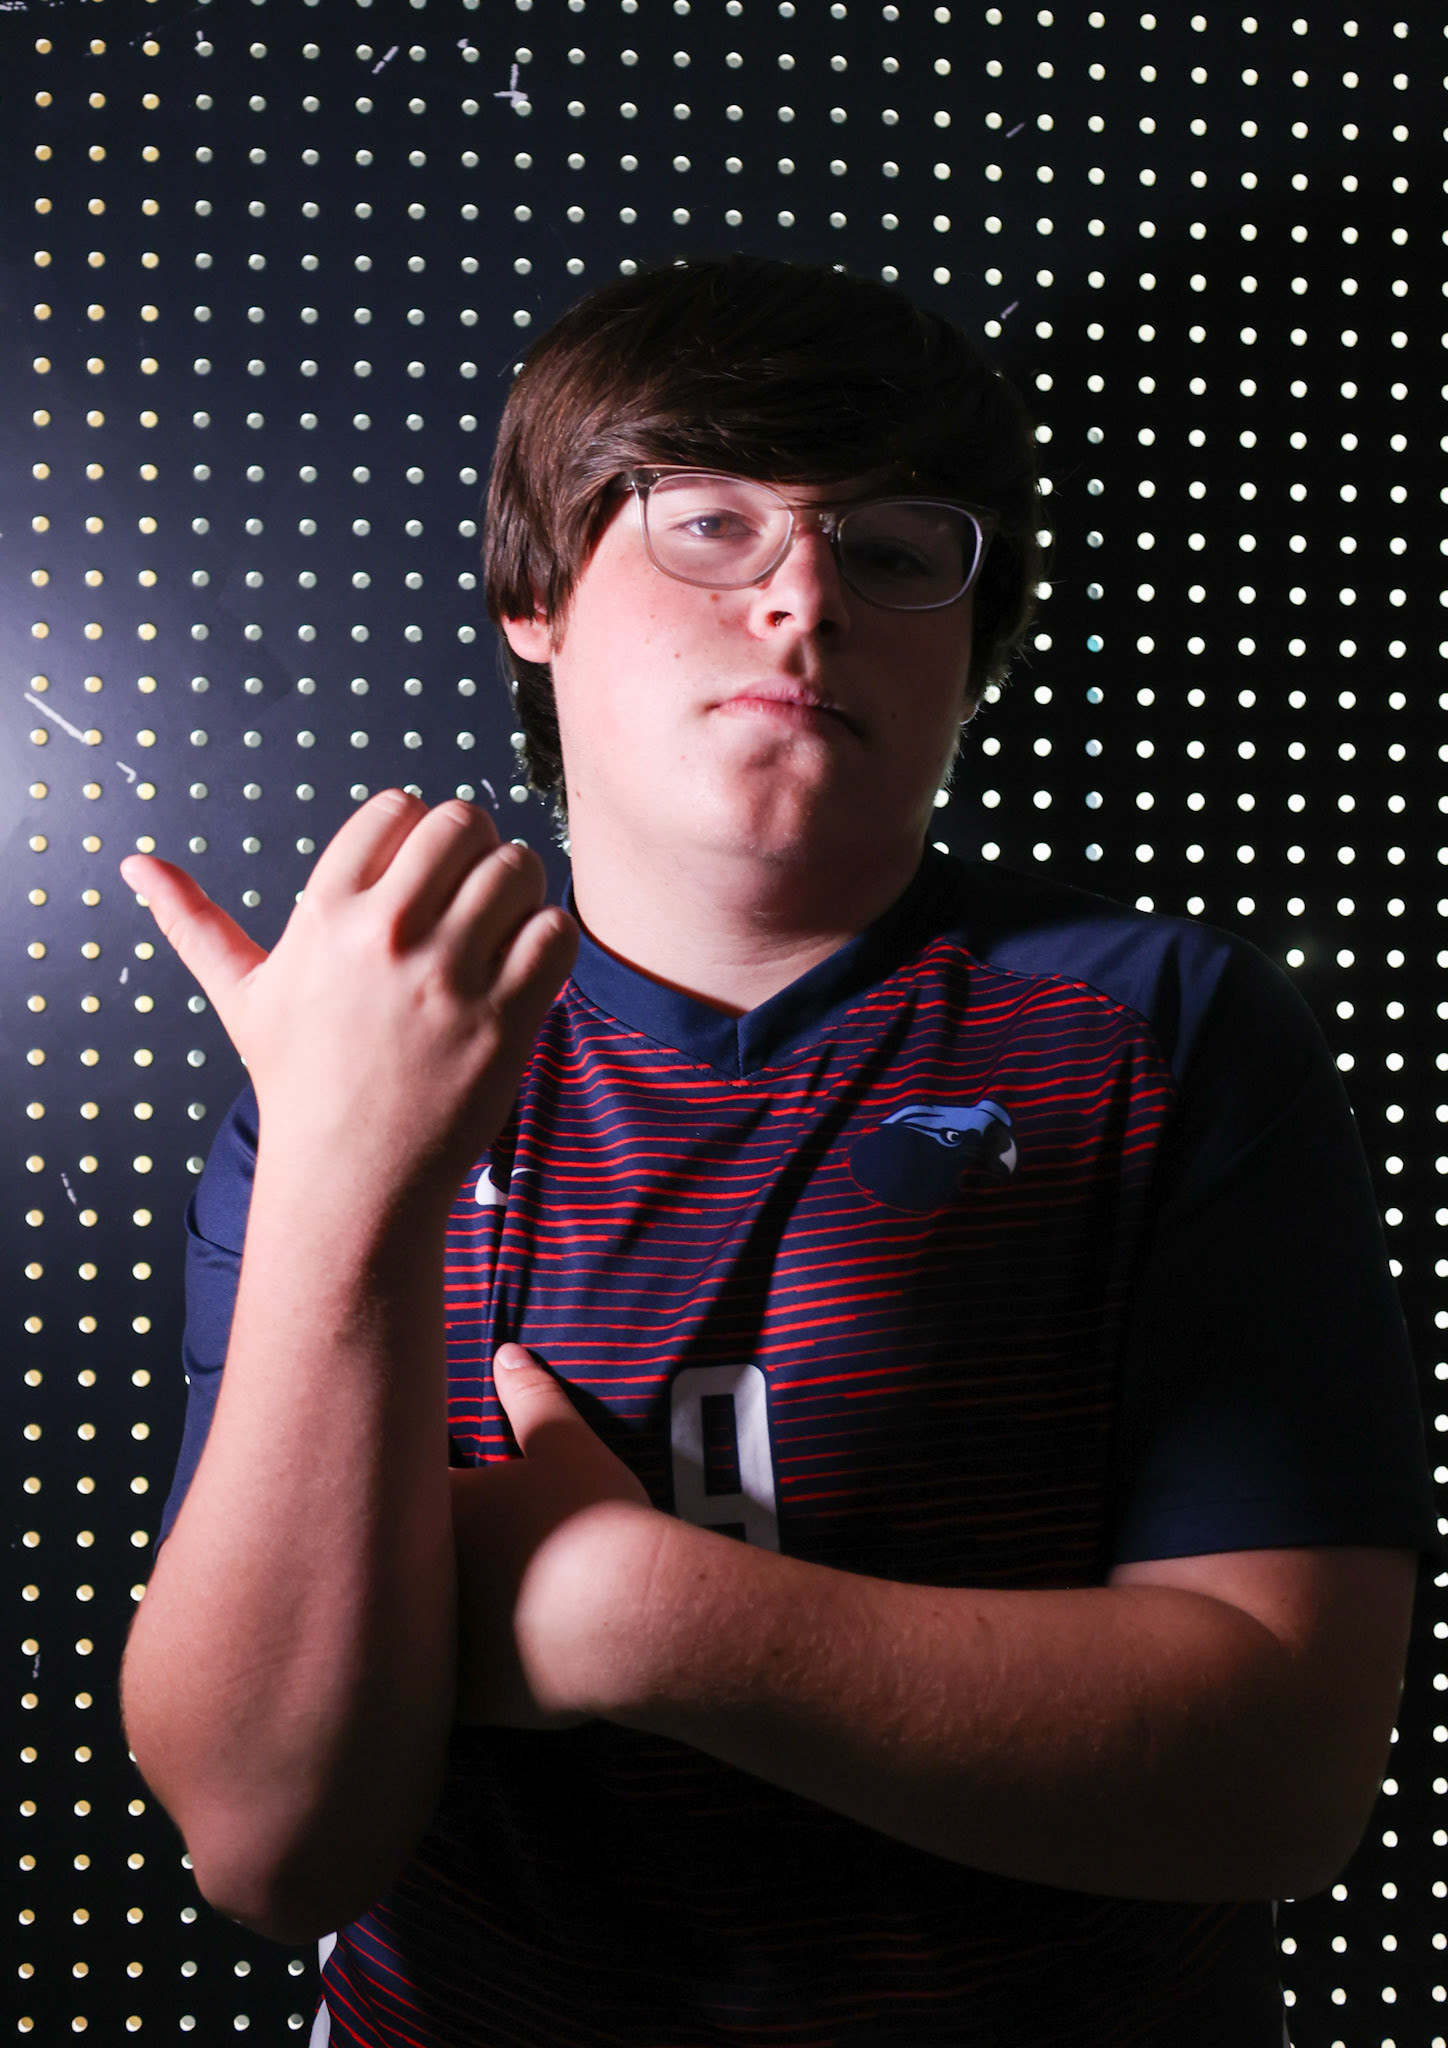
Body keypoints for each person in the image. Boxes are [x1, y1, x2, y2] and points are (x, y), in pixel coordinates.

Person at [120, 254, 1434, 2048]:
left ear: (972, 640)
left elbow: (1282, 1777)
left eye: (895, 549)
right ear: (535, 591)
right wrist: (350, 1176)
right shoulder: (345, 1069)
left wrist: (631, 1614)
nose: (805, 596)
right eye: (710, 522)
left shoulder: (1162, 1032)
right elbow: (268, 1842)